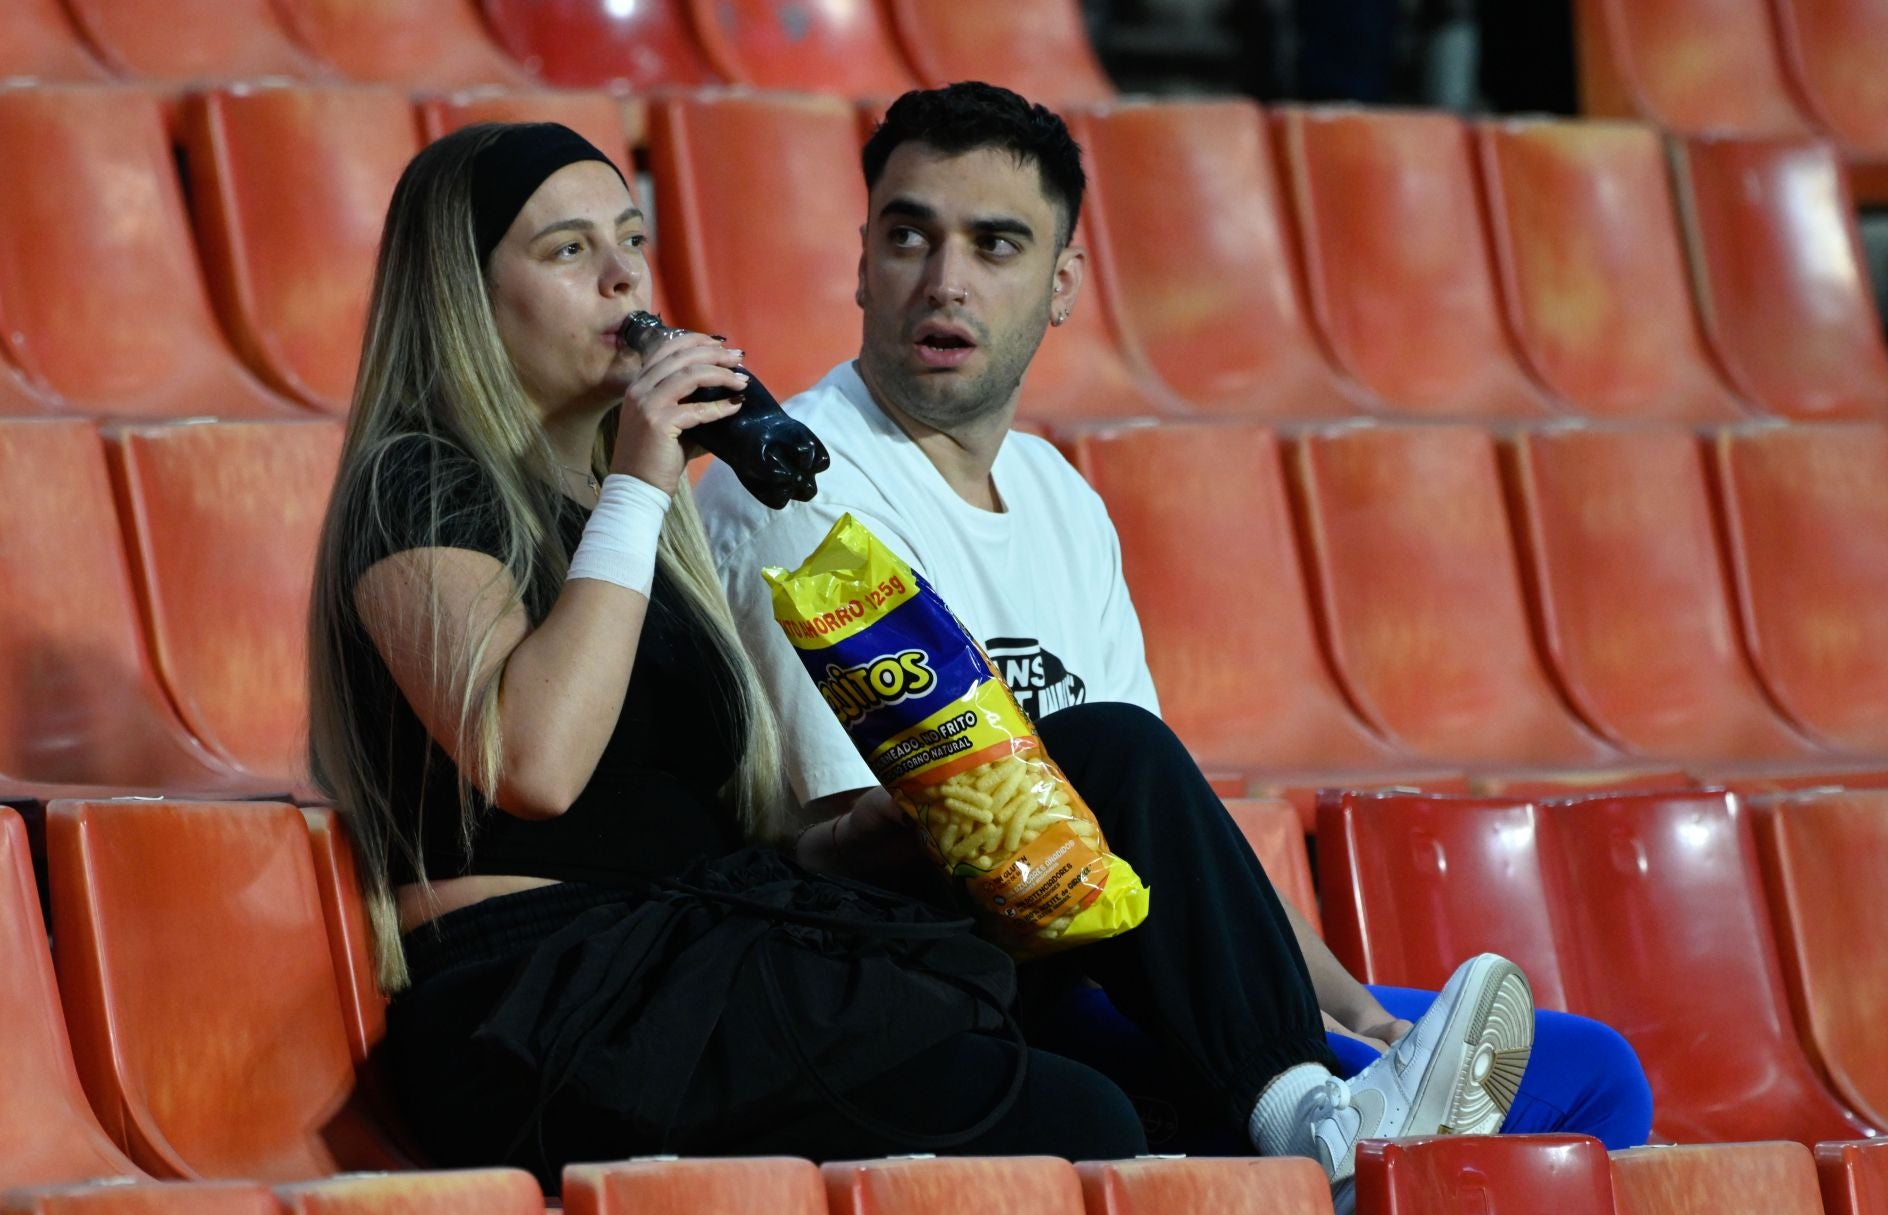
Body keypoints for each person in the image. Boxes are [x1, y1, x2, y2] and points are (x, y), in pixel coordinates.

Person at [304, 118, 1531, 1215]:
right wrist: (639, 484)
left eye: (631, 238)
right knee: (1092, 1118)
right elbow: (533, 761)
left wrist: (861, 839)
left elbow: (702, 824)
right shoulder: (421, 483)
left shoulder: (628, 511)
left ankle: (1307, 1112)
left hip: (709, 952)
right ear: (465, 292)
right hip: (552, 1006)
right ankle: (1322, 1153)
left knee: (1102, 755)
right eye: (570, 251)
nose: (626, 278)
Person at [696, 82, 1653, 1153]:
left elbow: (1162, 829)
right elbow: (864, 842)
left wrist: (1361, 1013)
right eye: (910, 237)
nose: (945, 281)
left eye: (996, 245)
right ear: (862, 262)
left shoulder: (1061, 498)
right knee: (1112, 754)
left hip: (1115, 945)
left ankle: (1334, 1114)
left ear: (1062, 285)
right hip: (941, 979)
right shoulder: (793, 486)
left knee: (1594, 1076)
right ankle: (1317, 1116)